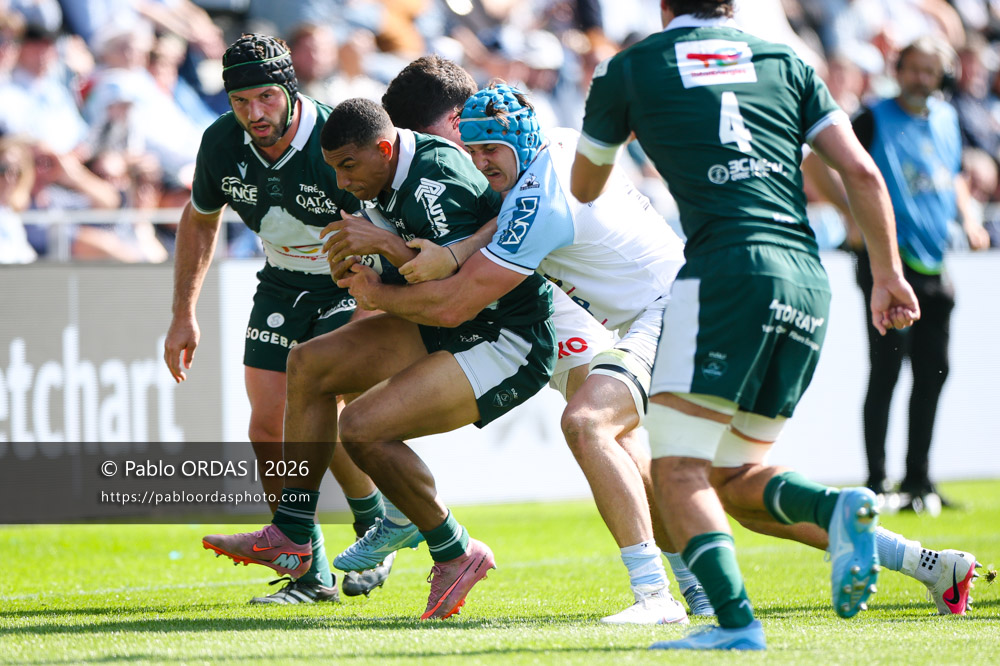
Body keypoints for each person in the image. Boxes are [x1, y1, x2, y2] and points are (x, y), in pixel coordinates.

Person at [569, 0, 924, 651]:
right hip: (805, 279)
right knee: (735, 474)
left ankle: (735, 626)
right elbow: (862, 172)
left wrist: (635, 126)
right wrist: (888, 275)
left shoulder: (633, 67)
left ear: (663, 4)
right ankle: (835, 510)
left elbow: (585, 187)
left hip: (724, 273)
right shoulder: (788, 61)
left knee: (678, 469)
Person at [375, 67, 714, 623]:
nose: (478, 161)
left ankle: (657, 597)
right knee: (731, 480)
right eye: (474, 149)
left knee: (590, 425)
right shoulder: (549, 140)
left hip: (675, 311)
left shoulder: (537, 197)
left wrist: (383, 287)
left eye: (487, 148)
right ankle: (696, 587)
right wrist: (459, 251)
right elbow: (515, 215)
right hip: (671, 306)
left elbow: (458, 302)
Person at [202, 96, 557, 621]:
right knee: (308, 365)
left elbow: (454, 297)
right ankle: (295, 534)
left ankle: (455, 551)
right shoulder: (383, 178)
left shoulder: (436, 178)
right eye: (334, 170)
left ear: (385, 149)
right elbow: (414, 279)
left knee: (363, 428)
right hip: (443, 321)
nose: (342, 183)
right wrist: (361, 272)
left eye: (348, 167)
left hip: (504, 335)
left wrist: (380, 267)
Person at [162, 33, 393, 605]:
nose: (254, 114)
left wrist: (376, 304)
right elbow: (199, 219)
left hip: (349, 277)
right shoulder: (221, 142)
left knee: (321, 404)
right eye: (240, 102)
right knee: (267, 426)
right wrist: (182, 314)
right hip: (281, 281)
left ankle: (373, 528)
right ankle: (307, 572)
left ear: (289, 91)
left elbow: (382, 219)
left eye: (265, 97)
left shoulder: (332, 137)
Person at [818, 36, 991, 513]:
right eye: (912, 68)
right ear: (899, 70)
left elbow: (953, 174)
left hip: (935, 260)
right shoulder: (872, 117)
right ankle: (877, 484)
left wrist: (970, 217)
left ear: (943, 77)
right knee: (888, 371)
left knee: (935, 373)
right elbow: (818, 163)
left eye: (928, 71)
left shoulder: (948, 118)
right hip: (886, 263)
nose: (919, 78)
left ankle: (919, 482)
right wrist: (852, 217)